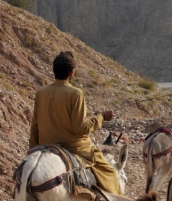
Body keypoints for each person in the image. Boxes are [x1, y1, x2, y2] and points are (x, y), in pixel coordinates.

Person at [29, 51, 121, 193]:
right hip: (74, 148)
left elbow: (35, 126)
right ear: (71, 73)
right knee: (110, 173)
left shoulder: (41, 93)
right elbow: (80, 128)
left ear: (54, 70)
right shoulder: (76, 93)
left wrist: (33, 150)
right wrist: (101, 117)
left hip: (45, 145)